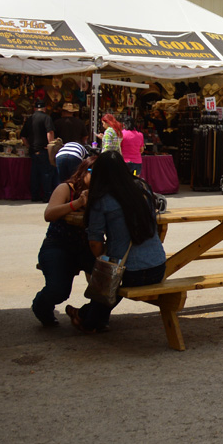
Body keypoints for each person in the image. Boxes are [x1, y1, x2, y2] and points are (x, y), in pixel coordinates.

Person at [65, 151, 167, 333]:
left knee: (110, 273)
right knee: (117, 274)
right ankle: (87, 317)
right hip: (157, 267)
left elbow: (94, 242)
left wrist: (104, 258)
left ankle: (86, 318)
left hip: (130, 273)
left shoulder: (102, 199)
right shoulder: (143, 188)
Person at [30, 156, 96, 327]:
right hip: (58, 244)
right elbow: (49, 214)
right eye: (94, 172)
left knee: (109, 284)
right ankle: (41, 307)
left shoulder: (101, 193)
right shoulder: (66, 188)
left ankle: (90, 316)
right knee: (58, 291)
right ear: (84, 171)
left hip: (87, 246)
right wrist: (77, 203)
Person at [22, 100, 56, 203]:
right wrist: (51, 145)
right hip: (43, 149)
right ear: (45, 108)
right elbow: (49, 132)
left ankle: (35, 195)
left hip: (33, 150)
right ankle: (47, 196)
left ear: (35, 108)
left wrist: (29, 145)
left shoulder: (30, 119)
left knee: (35, 174)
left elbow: (23, 136)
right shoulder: (46, 118)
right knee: (46, 173)